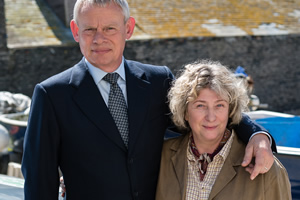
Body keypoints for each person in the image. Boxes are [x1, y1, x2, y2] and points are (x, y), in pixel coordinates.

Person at [21, 0, 275, 199]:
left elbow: (206, 116)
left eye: (110, 28)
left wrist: (257, 136)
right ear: (76, 31)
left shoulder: (157, 81)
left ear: (128, 28)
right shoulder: (52, 94)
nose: (99, 38)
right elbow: (38, 180)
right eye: (89, 29)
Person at [156, 60, 291, 200]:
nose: (211, 117)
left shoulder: (264, 165)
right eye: (200, 106)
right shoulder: (161, 158)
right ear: (185, 112)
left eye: (219, 105)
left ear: (230, 110)